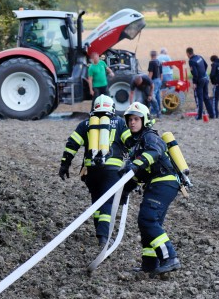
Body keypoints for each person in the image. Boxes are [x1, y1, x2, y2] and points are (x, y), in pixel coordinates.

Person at [59, 95, 132, 246]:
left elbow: (72, 144)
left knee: (97, 201)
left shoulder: (85, 124)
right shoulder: (119, 123)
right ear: (111, 108)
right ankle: (103, 236)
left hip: (91, 171)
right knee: (107, 201)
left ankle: (100, 231)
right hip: (112, 170)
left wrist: (65, 165)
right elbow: (131, 143)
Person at [118, 102, 181, 276]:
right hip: (157, 184)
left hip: (163, 183)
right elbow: (139, 175)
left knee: (147, 220)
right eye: (130, 119)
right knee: (149, 225)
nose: (132, 122)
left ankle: (170, 258)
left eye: (136, 119)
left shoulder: (150, 137)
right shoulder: (137, 144)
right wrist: (126, 189)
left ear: (144, 120)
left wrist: (135, 165)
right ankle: (149, 265)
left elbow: (155, 152)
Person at [186, 47, 215, 120]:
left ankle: (199, 116)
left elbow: (195, 73)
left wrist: (194, 82)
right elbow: (206, 65)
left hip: (199, 80)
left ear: (188, 53)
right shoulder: (199, 57)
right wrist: (202, 73)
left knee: (200, 98)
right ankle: (211, 114)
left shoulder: (191, 61)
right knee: (206, 97)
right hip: (205, 78)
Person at [147, 50, 162, 118]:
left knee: (153, 96)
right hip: (159, 80)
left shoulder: (151, 62)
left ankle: (153, 111)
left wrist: (148, 81)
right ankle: (159, 110)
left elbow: (151, 73)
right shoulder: (159, 62)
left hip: (154, 80)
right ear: (156, 55)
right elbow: (161, 73)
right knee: (158, 96)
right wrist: (160, 81)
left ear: (151, 55)